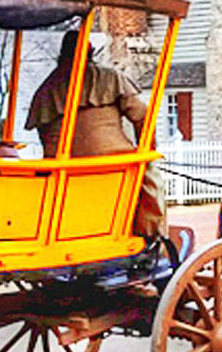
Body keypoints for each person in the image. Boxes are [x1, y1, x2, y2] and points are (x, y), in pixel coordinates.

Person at [26, 29, 165, 241]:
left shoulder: (47, 88)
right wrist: (147, 149)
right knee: (151, 178)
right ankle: (151, 236)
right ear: (90, 52)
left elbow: (44, 135)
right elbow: (143, 116)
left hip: (64, 167)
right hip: (113, 161)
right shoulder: (109, 77)